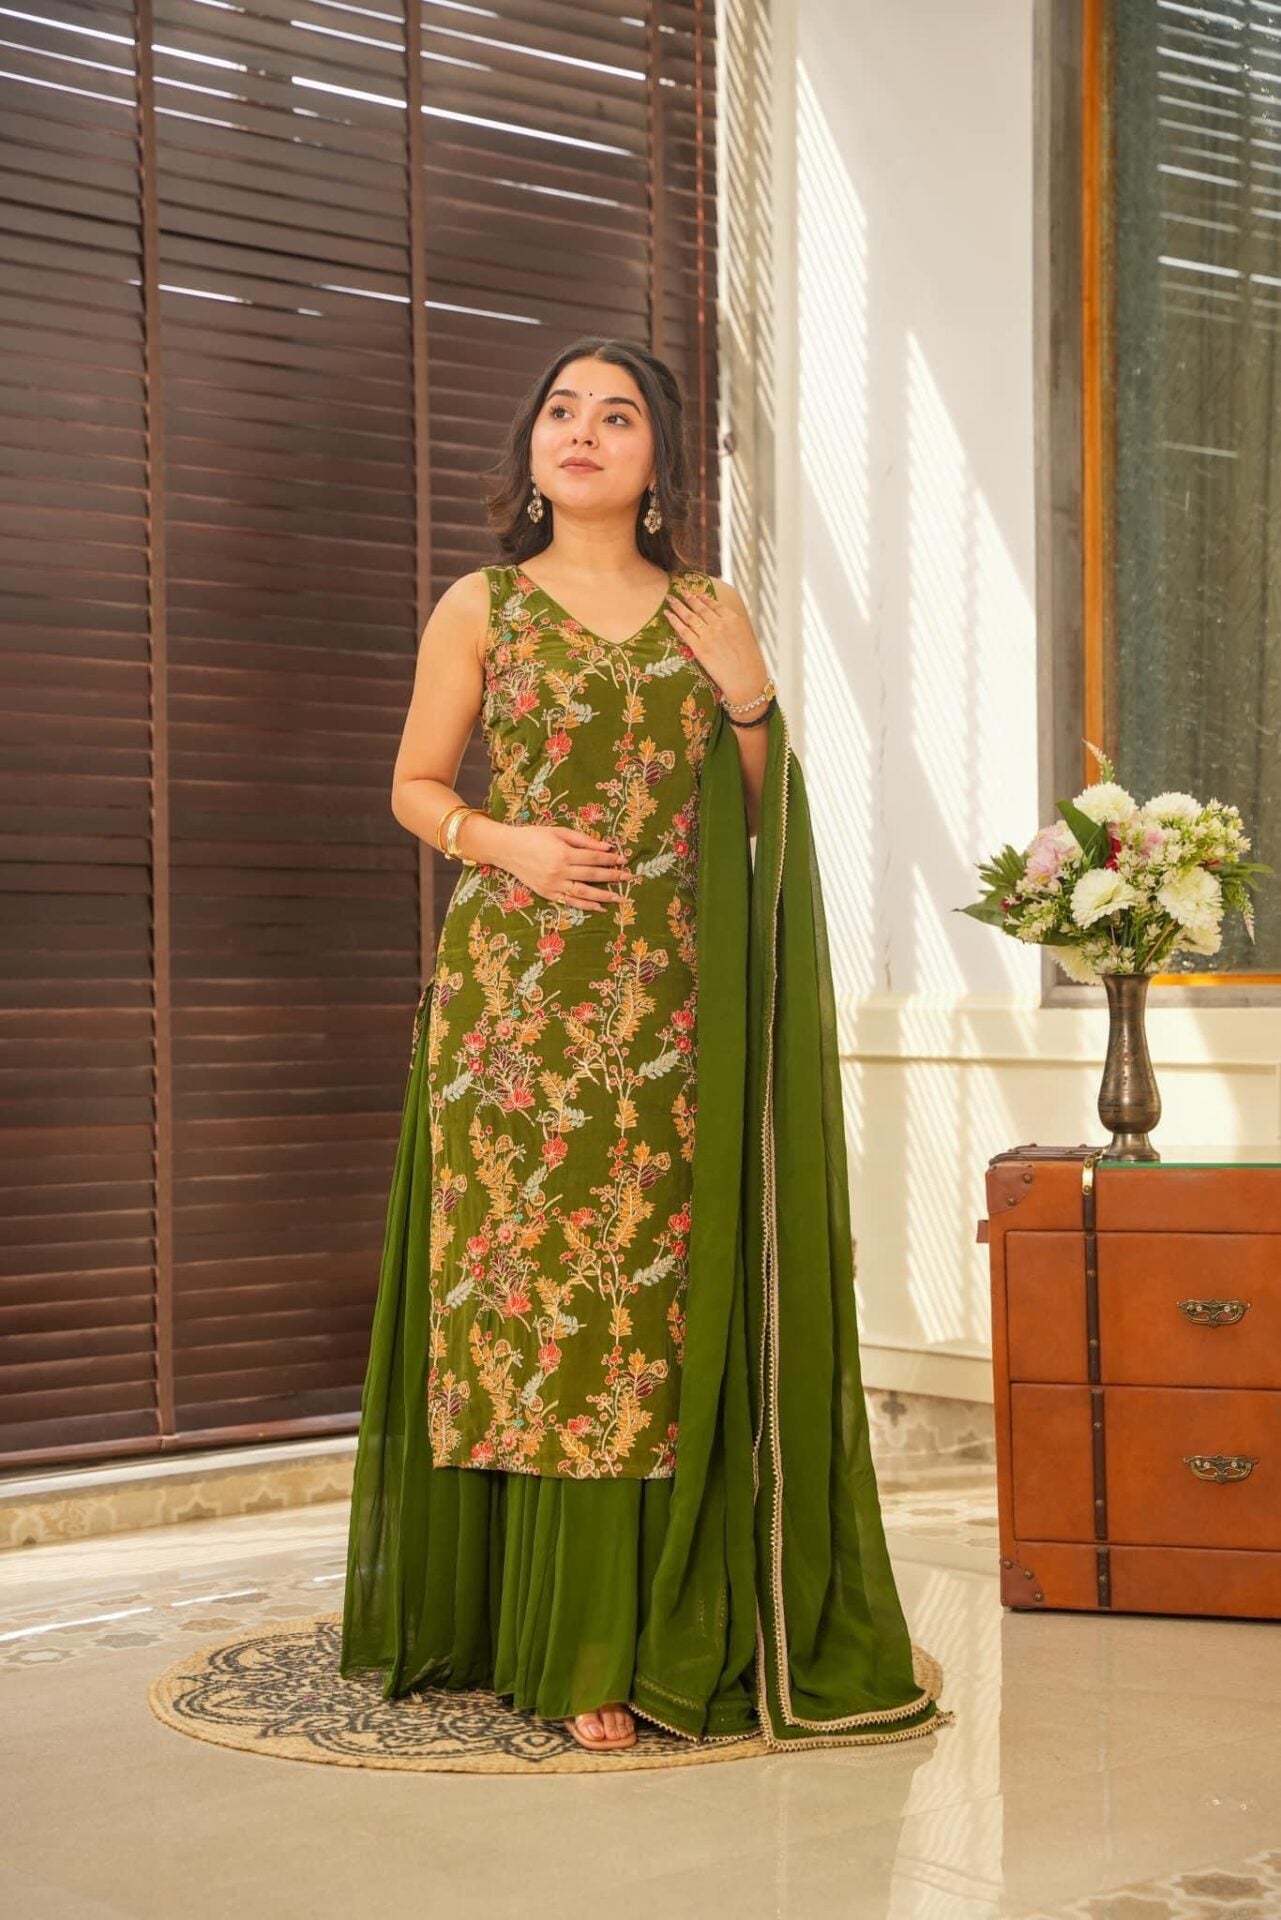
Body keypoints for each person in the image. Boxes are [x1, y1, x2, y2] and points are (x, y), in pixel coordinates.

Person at [340, 335, 950, 1755]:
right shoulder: (482, 605)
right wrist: (504, 841)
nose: (582, 432)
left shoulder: (705, 611)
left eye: (616, 416)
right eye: (561, 410)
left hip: (674, 1008)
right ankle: (538, 1635)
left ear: (659, 458)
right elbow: (414, 784)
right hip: (517, 1010)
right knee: (524, 1309)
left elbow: (755, 808)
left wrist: (749, 694)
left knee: (640, 1309)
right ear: (532, 443)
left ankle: (631, 1628)